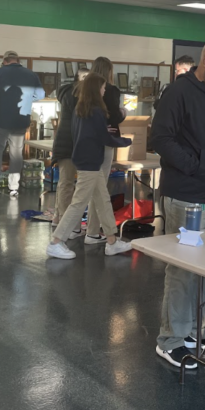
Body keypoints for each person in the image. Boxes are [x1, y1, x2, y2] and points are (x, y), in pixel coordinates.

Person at [151, 39, 205, 368]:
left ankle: (197, 330)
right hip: (185, 196)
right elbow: (161, 138)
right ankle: (171, 338)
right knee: (183, 269)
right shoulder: (178, 92)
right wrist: (196, 165)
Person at [46, 74, 133, 260]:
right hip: (90, 162)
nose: (104, 91)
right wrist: (124, 141)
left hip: (86, 160)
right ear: (96, 89)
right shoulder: (96, 111)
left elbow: (91, 135)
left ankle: (112, 241)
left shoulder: (81, 110)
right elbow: (103, 137)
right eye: (102, 88)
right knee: (79, 203)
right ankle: (55, 242)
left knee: (103, 200)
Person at [0, 51, 45, 197]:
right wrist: (27, 99)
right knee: (16, 154)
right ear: (18, 60)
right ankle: (14, 188)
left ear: (5, 61)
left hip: (0, 121)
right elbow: (40, 95)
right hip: (21, 120)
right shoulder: (31, 74)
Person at [83, 57, 125, 243]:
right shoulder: (111, 90)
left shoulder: (83, 89)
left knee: (89, 189)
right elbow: (114, 115)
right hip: (105, 142)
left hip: (87, 143)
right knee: (99, 188)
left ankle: (88, 230)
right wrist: (123, 113)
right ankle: (94, 231)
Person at [51, 67, 89, 229]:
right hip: (71, 142)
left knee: (65, 183)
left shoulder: (67, 93)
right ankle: (66, 223)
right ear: (77, 79)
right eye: (84, 77)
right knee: (69, 183)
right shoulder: (75, 95)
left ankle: (59, 218)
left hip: (66, 142)